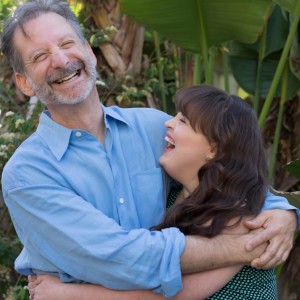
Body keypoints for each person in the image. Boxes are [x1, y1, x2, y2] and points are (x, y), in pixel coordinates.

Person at [0, 0, 298, 298]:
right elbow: (120, 258)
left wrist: (282, 214)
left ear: (89, 51)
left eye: (67, 43)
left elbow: (231, 172)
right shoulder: (28, 174)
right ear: (25, 83)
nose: (61, 59)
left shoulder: (154, 128)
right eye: (40, 56)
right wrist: (240, 246)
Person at [28, 85, 279, 299]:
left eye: (182, 120)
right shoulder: (174, 193)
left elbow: (175, 295)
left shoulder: (238, 216)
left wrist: (65, 294)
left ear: (213, 147)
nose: (167, 122)